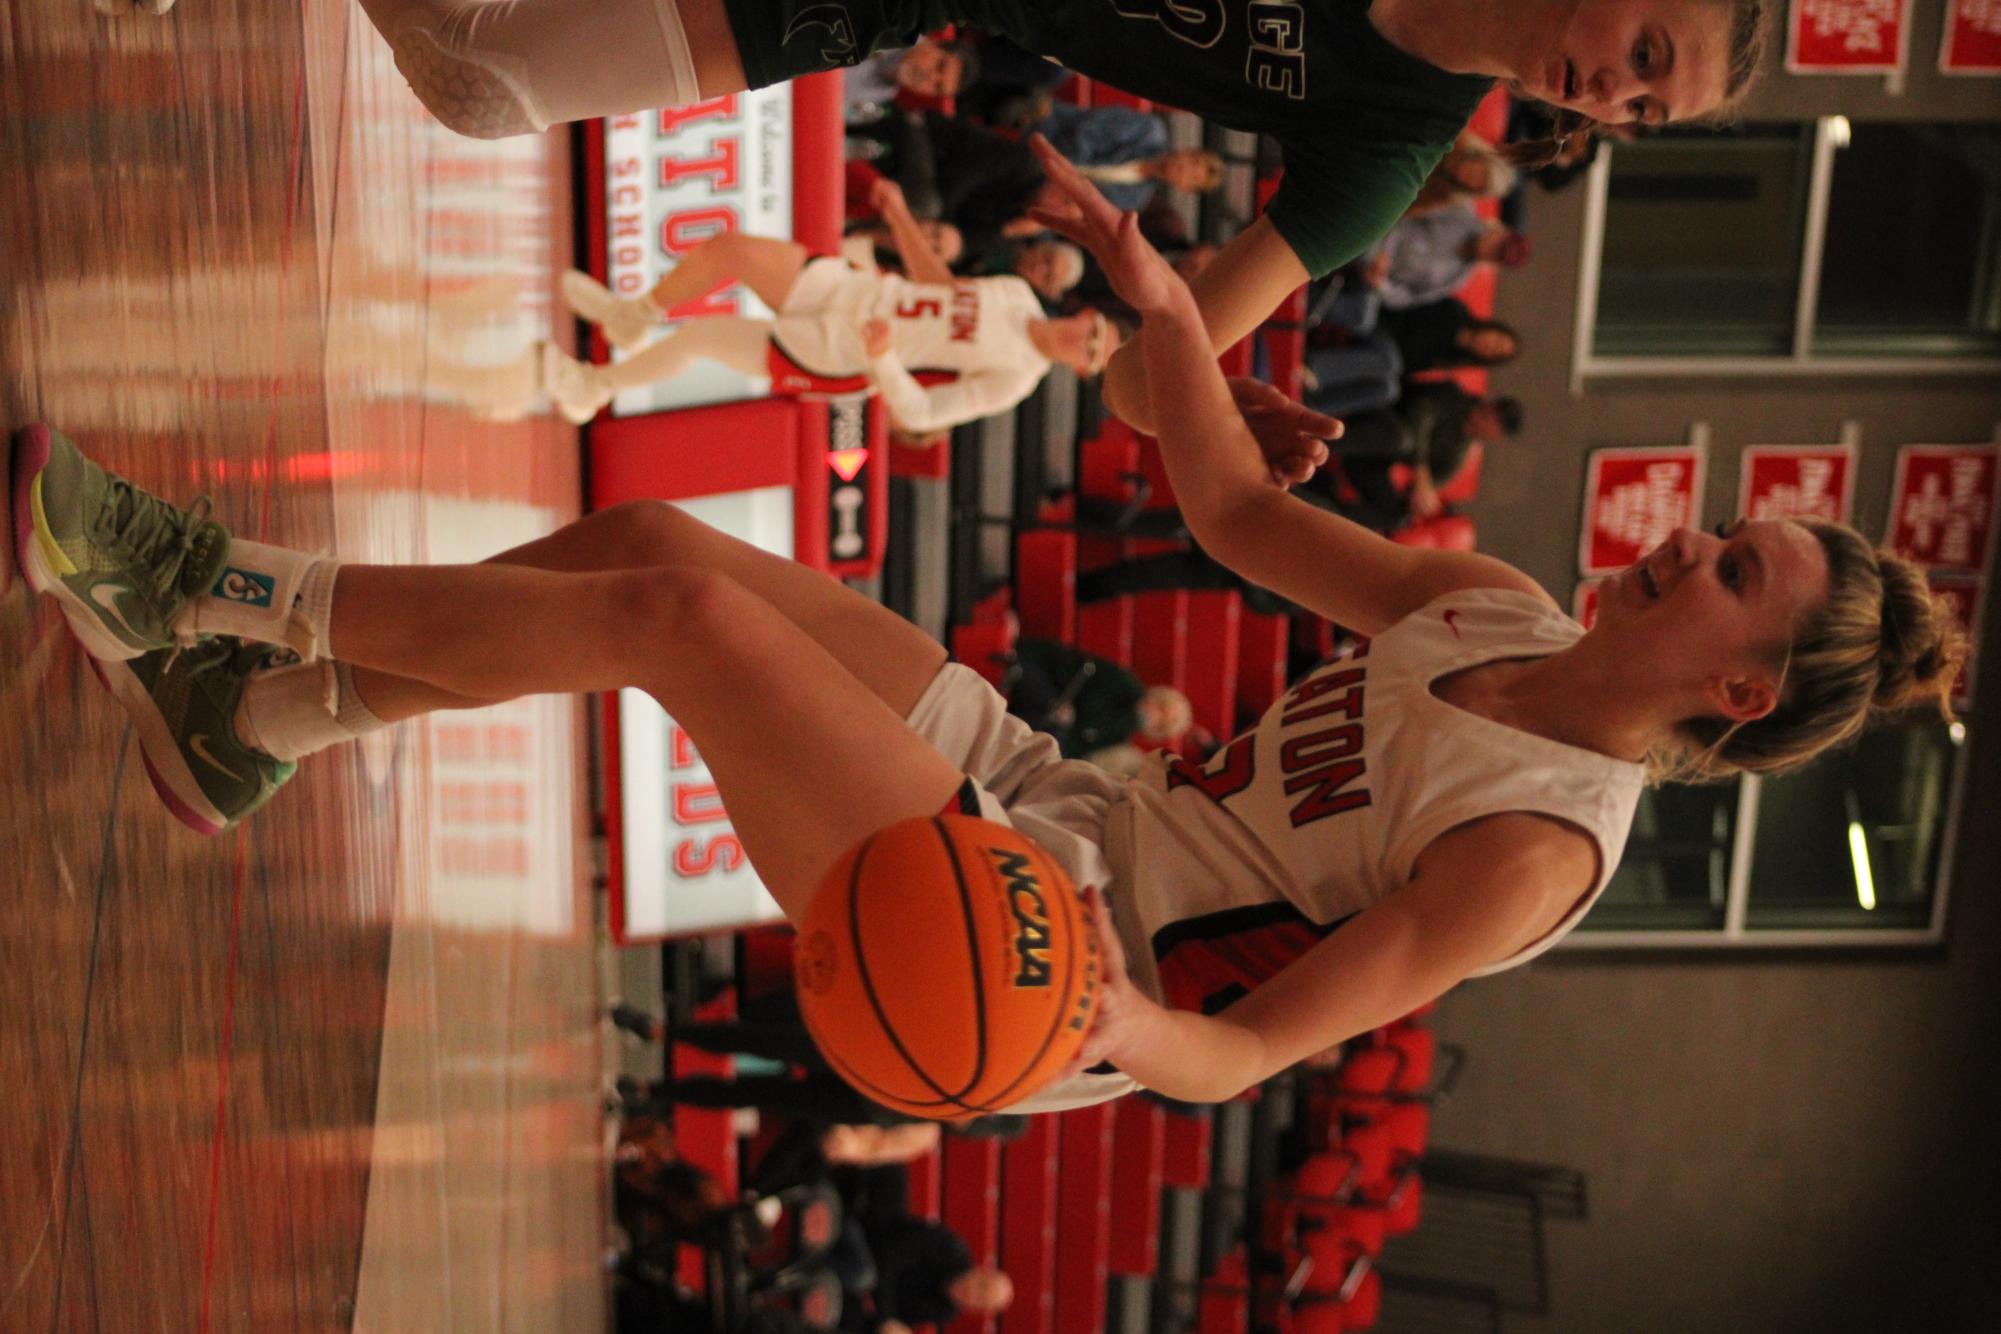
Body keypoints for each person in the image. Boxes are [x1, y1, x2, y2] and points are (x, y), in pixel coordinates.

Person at [8, 135, 1958, 1112]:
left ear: (1733, 683)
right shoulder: (1490, 604)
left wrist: (1121, 1019)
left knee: (679, 616)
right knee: (642, 528)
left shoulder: (1536, 848)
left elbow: (1262, 1043)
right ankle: (265, 720)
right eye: (1723, 523)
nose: (1686, 536)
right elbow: (1238, 508)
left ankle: (195, 591)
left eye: (1728, 568)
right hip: (1046, 791)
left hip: (1056, 956)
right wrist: (1171, 323)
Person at [303, 0, 1768, 434]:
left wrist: (1197, 401)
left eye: (1649, 112)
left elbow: (1136, 370)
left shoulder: (1387, 150)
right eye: (1651, 54)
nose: (1619, 95)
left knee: (483, 84)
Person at [542, 210, 1114, 432]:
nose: (1082, 343)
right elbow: (940, 286)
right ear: (1084, 313)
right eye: (1093, 333)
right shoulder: (1017, 293)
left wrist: (885, 356)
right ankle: (630, 316)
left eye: (1090, 354)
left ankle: (593, 388)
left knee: (701, 337)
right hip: (853, 290)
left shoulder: (1015, 380)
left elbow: (919, 414)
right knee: (730, 251)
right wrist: (896, 216)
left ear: (1080, 372)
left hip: (843, 354)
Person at [1358, 205, 1531, 310]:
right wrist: (1386, 251)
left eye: (1497, 256)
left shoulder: (1457, 278)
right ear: (1499, 232)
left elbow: (1407, 298)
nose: (1492, 250)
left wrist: (1381, 285)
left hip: (1375, 279)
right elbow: (1408, 212)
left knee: (1362, 316)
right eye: (1499, 245)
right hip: (1381, 232)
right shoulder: (1461, 213)